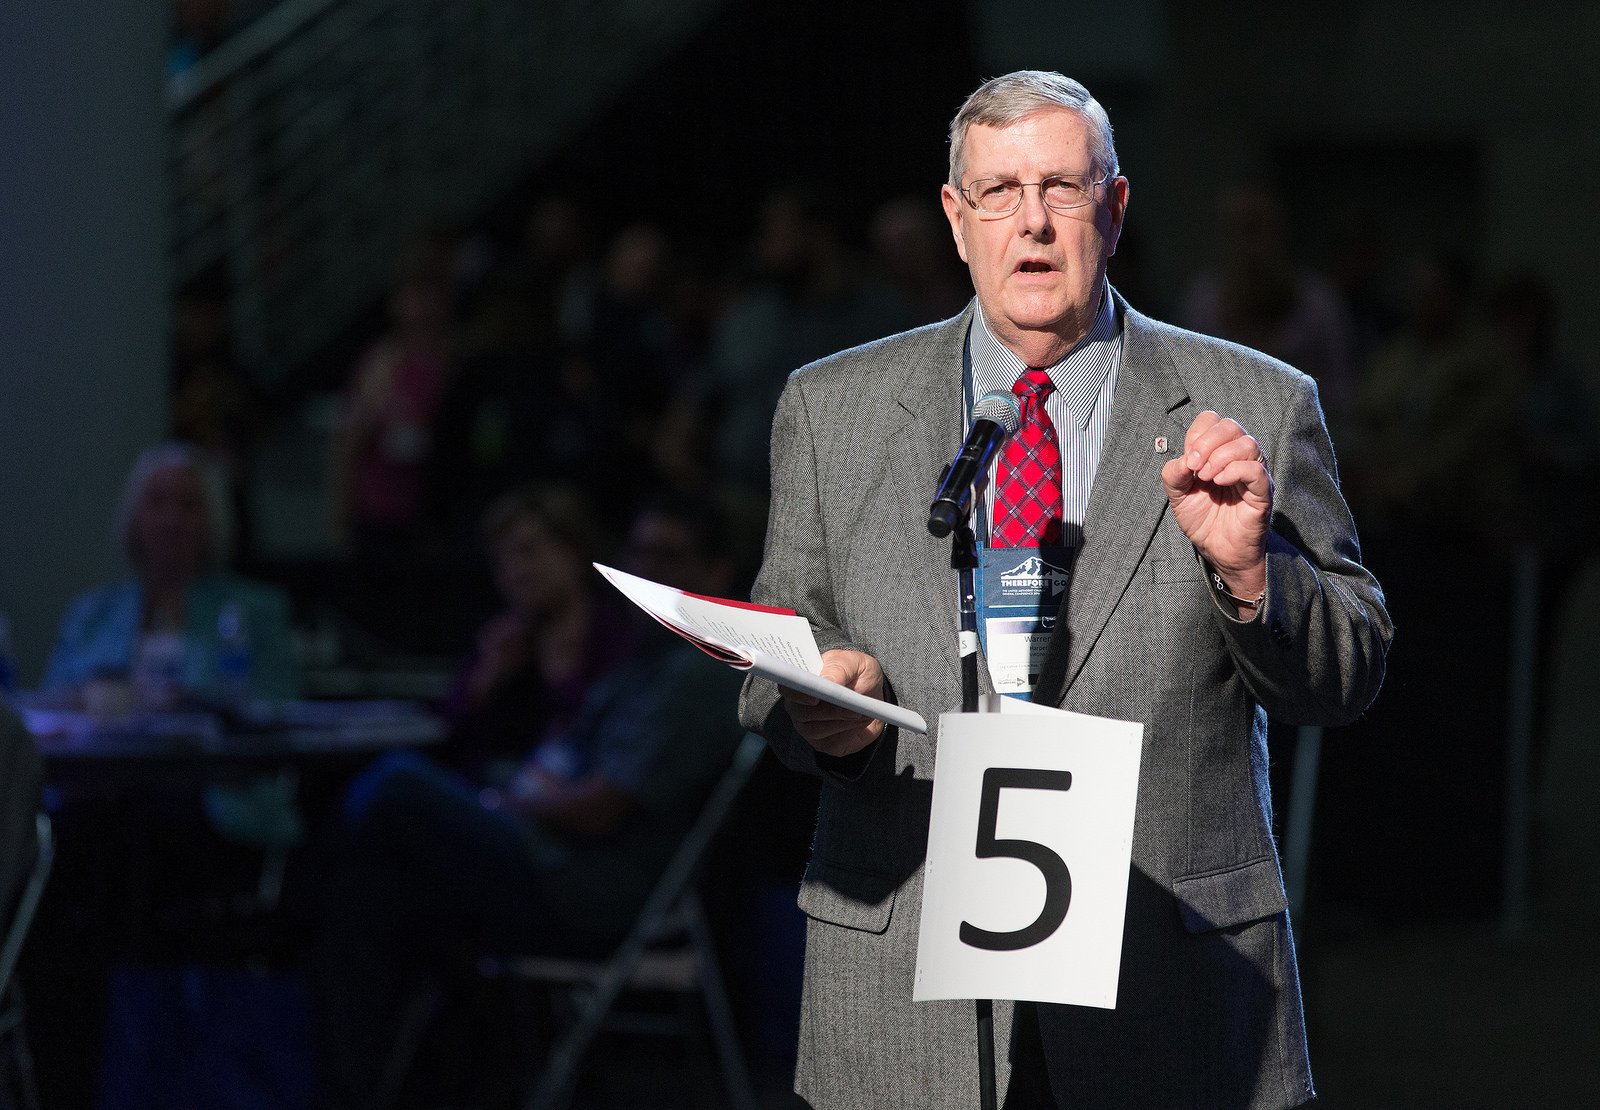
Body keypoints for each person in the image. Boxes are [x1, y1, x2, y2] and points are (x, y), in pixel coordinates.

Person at [738, 71, 1391, 1109]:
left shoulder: (1255, 403)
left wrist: (1249, 569)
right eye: (998, 193)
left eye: (1063, 189)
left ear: (1116, 209)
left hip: (1166, 982)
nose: (1031, 223)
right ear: (956, 220)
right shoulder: (832, 411)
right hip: (906, 981)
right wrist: (826, 711)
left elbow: (1349, 670)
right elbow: (775, 657)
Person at [313, 494, 749, 1110]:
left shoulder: (698, 671)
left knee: (393, 784)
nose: (649, 572)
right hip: (546, 855)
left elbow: (600, 808)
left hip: (590, 889)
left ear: (716, 574)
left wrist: (501, 806)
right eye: (640, 554)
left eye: (669, 556)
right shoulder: (646, 662)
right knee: (370, 898)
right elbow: (553, 761)